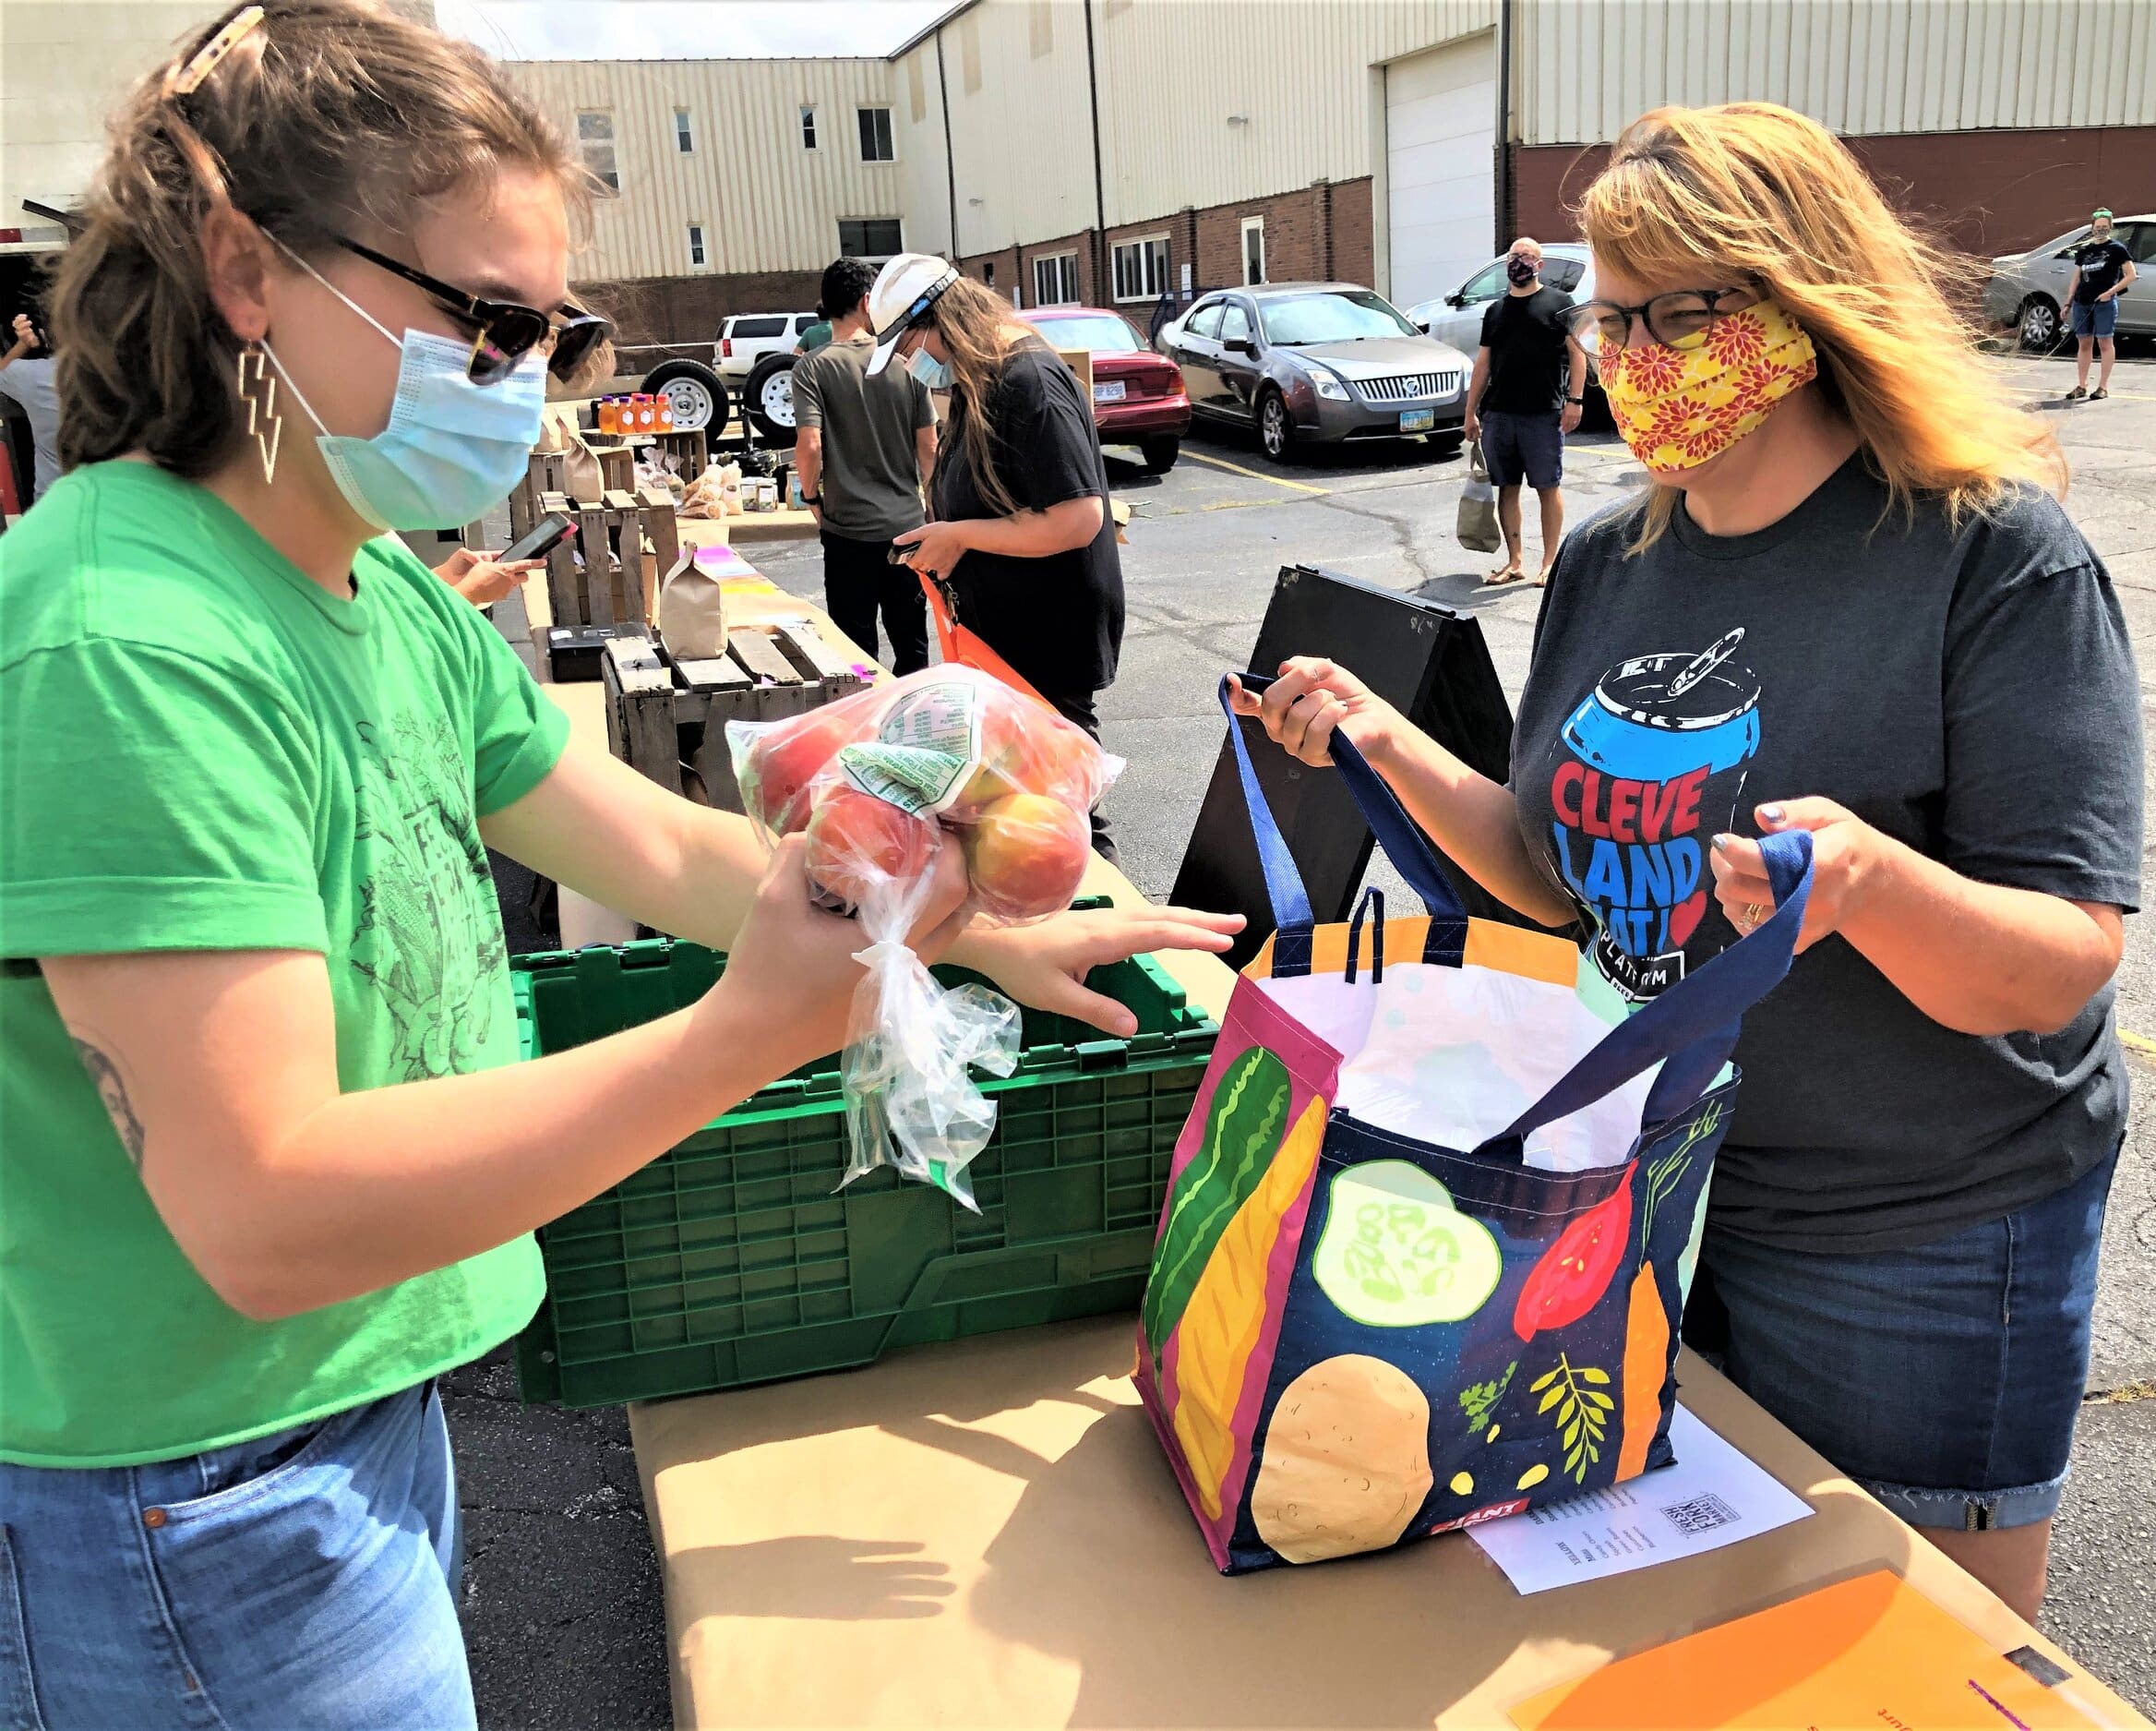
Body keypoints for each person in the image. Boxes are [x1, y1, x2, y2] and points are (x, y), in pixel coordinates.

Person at [0, 6, 1240, 1725]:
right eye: (479, 322)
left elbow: (646, 836)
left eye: (547, 334)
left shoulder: (378, 589)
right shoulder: (130, 638)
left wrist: (928, 932)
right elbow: (266, 1211)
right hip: (190, 1483)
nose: (512, 381)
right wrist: (748, 1034)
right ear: (243, 270)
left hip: (345, 1410)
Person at [1233, 102, 2141, 1628]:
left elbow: (2062, 955)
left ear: (1795, 308)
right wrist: (1385, 743)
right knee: (1684, 1632)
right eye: (1611, 311)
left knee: (1914, 1651)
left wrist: (1871, 887)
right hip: (1646, 1195)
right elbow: (1548, 869)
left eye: (1677, 314)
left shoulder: (1992, 558)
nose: (1628, 353)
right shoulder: (1611, 555)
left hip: (1915, 1232)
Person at [873, 255, 1127, 861]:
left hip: (1048, 632)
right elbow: (993, 502)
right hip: (1006, 632)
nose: (913, 363)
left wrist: (961, 536)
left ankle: (1097, 919)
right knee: (1026, 799)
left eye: (910, 345)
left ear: (938, 320)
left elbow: (1077, 518)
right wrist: (945, 537)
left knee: (1060, 801)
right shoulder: (977, 382)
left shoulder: (1028, 380)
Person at [793, 256, 936, 674]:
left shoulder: (812, 367)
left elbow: (810, 444)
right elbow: (928, 444)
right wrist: (931, 505)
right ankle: (916, 731)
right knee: (912, 646)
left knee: (854, 655)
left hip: (847, 532)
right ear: (867, 300)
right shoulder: (905, 361)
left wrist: (810, 495)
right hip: (907, 528)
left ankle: (864, 733)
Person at [1463, 237, 1585, 585]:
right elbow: (1482, 363)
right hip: (1499, 414)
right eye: (1514, 256)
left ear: (1539, 265)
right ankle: (1515, 562)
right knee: (1507, 488)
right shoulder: (1495, 311)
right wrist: (1471, 413)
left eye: (1526, 256)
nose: (1519, 262)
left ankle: (1549, 563)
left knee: (1548, 486)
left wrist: (1574, 400)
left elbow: (1577, 354)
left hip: (1543, 414)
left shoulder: (1559, 304)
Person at [2064, 208, 2134, 402]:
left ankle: (2102, 387)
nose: (2100, 230)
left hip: (2105, 303)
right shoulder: (2085, 250)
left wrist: (2110, 293)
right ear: (2092, 228)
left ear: (2110, 227)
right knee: (2084, 343)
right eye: (2097, 227)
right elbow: (2076, 278)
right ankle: (2081, 385)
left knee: (2104, 342)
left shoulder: (2117, 249)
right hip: (2082, 303)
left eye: (2104, 227)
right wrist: (2068, 302)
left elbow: (2131, 275)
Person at [0, 311, 63, 502]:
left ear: (44, 335)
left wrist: (22, 344)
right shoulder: (133, 375)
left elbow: (2, 372)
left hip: (53, 504)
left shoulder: (34, 376)